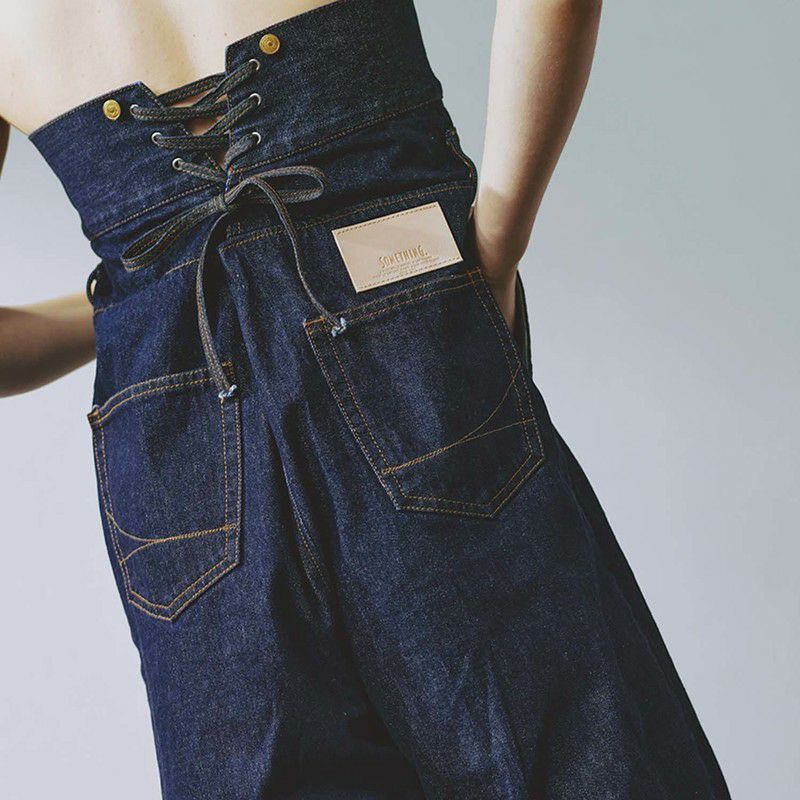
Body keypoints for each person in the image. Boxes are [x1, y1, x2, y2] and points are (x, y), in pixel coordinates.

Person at [0, 1, 731, 797]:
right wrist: (497, 241)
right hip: (404, 326)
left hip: (175, 422)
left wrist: (145, 305)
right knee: (573, 754)